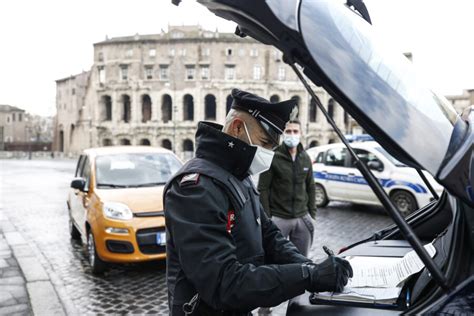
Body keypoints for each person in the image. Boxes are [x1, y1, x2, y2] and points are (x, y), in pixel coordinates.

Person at [163, 89, 352, 315]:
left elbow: (269, 235)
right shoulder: (196, 188)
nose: (268, 153)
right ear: (237, 128)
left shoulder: (237, 174)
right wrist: (308, 276)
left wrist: (311, 267)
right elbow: (224, 283)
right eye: (264, 142)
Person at [258, 120, 316, 257]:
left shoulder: (305, 157)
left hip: (302, 217)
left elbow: (310, 186)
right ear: (283, 134)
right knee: (275, 257)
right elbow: (263, 188)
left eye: (295, 131)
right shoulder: (273, 157)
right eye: (288, 131)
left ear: (300, 134)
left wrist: (312, 214)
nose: (292, 134)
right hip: (279, 217)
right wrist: (268, 217)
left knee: (302, 259)